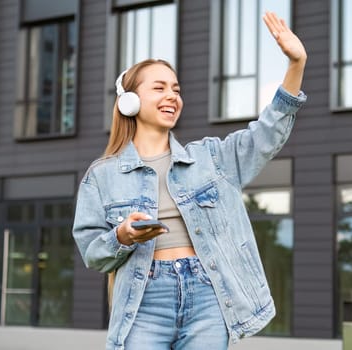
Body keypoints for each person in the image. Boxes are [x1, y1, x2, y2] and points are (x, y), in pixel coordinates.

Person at [72, 11, 307, 350]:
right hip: (144, 301)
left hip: (208, 294)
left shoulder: (212, 158)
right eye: (160, 88)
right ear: (130, 101)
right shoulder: (102, 175)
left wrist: (296, 65)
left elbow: (266, 134)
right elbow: (93, 253)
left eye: (176, 89)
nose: (172, 95)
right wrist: (122, 235)